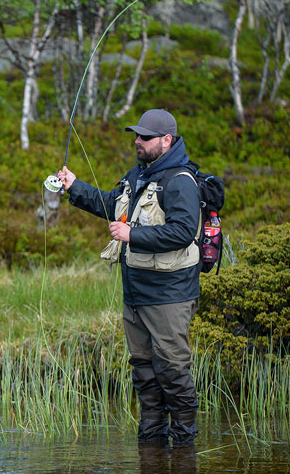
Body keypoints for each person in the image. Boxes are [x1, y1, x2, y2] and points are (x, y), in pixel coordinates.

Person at [57, 108, 201, 447]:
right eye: (136, 135)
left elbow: (181, 232)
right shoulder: (137, 175)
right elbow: (112, 206)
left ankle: (183, 451)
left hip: (170, 295)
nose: (137, 141)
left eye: (145, 137)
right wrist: (75, 187)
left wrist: (131, 234)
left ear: (166, 141)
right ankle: (151, 447)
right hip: (135, 296)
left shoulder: (180, 181)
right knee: (145, 373)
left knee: (173, 373)